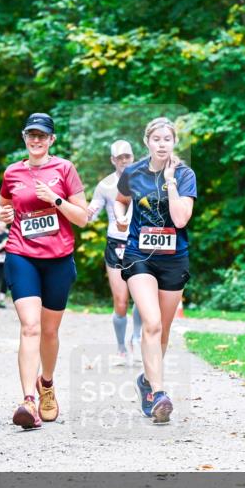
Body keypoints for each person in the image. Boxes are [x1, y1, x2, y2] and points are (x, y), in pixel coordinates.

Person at [0, 112, 88, 430]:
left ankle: (45, 384)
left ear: (51, 140)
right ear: (24, 137)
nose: (36, 140)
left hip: (59, 259)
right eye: (31, 135)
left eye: (42, 136)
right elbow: (2, 207)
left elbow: (83, 218)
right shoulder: (12, 172)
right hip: (21, 254)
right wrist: (3, 214)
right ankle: (27, 402)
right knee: (30, 327)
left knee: (49, 331)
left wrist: (57, 199)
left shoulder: (65, 169)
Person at [114, 117, 196, 424]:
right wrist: (121, 217)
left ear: (174, 142)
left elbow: (181, 218)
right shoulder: (132, 172)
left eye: (167, 139)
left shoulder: (186, 174)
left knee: (162, 327)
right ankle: (160, 393)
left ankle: (147, 381)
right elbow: (121, 201)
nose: (162, 144)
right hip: (139, 255)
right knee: (150, 322)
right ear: (147, 141)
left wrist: (171, 181)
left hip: (174, 257)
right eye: (156, 139)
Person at [87, 139, 142, 365]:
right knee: (121, 301)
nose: (124, 161)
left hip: (139, 244)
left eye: (127, 156)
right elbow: (92, 212)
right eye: (119, 158)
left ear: (133, 157)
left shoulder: (144, 180)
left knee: (142, 297)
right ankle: (121, 350)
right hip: (115, 244)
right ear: (112, 160)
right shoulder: (105, 185)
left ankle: (136, 340)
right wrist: (86, 213)